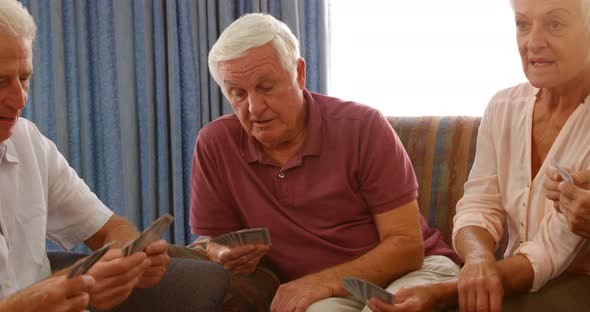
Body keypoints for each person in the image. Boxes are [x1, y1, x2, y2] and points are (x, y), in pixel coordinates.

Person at [189, 13, 462, 312]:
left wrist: (320, 283)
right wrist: (221, 251)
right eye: (238, 93)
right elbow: (212, 240)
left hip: (415, 272)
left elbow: (408, 247)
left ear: (299, 73)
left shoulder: (363, 127)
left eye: (266, 87)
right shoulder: (216, 144)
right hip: (329, 292)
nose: (254, 108)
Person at [0, 0, 229, 311]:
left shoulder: (28, 141)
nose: (19, 99)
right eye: (1, 81)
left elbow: (109, 228)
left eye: (24, 78)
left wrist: (128, 257)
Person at [366, 0, 590, 311]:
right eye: (523, 25)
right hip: (512, 276)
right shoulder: (503, 106)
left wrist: (442, 293)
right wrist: (478, 258)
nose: (533, 42)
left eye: (555, 24)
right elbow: (479, 203)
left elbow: (551, 252)